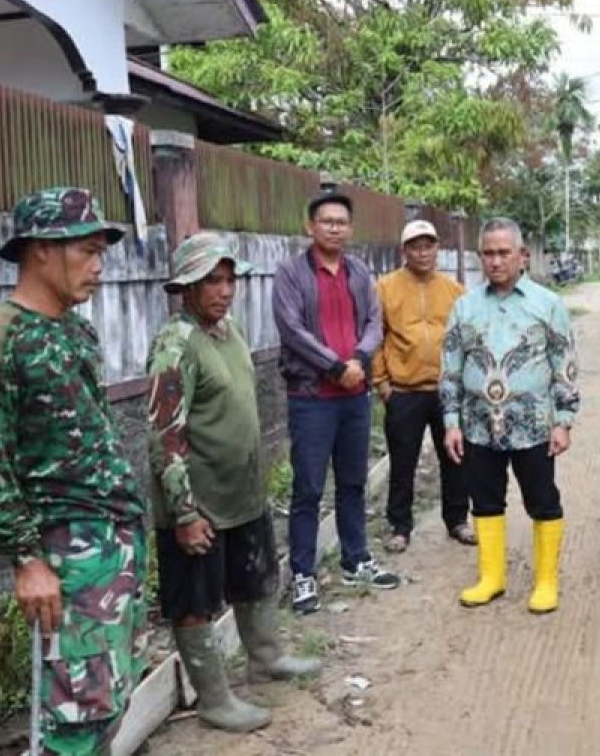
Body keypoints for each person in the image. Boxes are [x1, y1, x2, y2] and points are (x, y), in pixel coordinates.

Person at [0, 187, 146, 755]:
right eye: (86, 251)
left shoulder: (75, 330)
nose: (99, 266)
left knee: (109, 697)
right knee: (73, 718)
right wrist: (27, 560)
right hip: (66, 550)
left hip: (113, 543)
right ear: (39, 250)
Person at [147, 233, 320, 733]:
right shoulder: (176, 344)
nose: (224, 291)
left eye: (228, 280)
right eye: (211, 282)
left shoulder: (231, 331)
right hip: (199, 501)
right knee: (195, 601)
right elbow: (164, 434)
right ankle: (214, 698)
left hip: (242, 492)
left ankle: (265, 657)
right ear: (186, 288)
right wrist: (183, 512)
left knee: (257, 577)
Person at [441, 217, 580, 614]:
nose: (496, 261)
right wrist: (452, 422)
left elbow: (564, 365)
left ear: (522, 256)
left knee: (542, 499)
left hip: (534, 425)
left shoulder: (547, 304)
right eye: (488, 253)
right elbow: (449, 368)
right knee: (484, 501)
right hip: (478, 425)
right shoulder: (464, 307)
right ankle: (491, 578)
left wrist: (563, 419)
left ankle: (547, 582)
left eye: (504, 253)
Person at [273, 190, 400, 614]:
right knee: (308, 487)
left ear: (350, 228)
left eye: (341, 222)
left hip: (355, 396)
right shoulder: (290, 274)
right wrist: (335, 366)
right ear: (309, 227)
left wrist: (360, 360)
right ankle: (304, 575)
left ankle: (356, 558)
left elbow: (373, 321)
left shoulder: (360, 272)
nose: (334, 228)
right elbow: (292, 329)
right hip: (312, 397)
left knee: (353, 481)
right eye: (326, 221)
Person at [373, 220, 472, 553]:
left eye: (428, 245)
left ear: (437, 248)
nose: (423, 252)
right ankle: (400, 526)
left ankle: (457, 519)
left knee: (455, 457)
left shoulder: (454, 290)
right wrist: (383, 384)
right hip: (404, 390)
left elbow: (466, 339)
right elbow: (374, 337)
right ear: (405, 251)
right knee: (403, 461)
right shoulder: (385, 288)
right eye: (415, 246)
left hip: (447, 390)